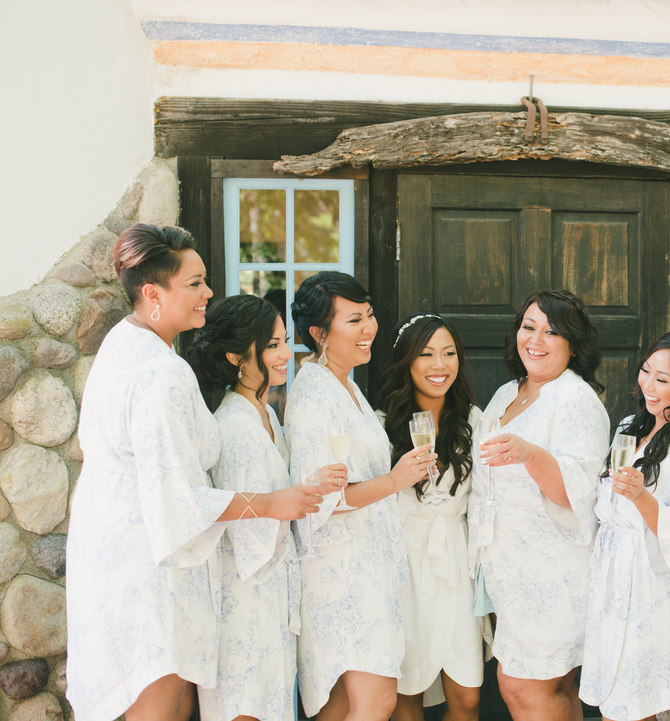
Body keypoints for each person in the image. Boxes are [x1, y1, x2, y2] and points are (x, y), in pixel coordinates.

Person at [66, 225, 324, 721]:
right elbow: (177, 496)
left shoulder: (125, 345)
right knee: (154, 705)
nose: (209, 293)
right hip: (148, 564)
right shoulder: (159, 374)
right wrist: (272, 503)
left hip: (112, 550)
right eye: (195, 283)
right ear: (152, 294)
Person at [187, 294, 346, 721]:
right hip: (246, 592)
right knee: (245, 709)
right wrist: (291, 502)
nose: (283, 355)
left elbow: (276, 498)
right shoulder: (235, 426)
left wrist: (308, 489)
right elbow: (244, 527)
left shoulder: (267, 416)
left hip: (272, 591)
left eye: (284, 342)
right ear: (238, 357)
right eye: (272, 345)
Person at [286, 271, 435, 721]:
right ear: (319, 333)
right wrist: (396, 479)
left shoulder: (345, 385)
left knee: (344, 705)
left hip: (365, 564)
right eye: (354, 319)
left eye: (369, 315)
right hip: (342, 571)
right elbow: (322, 496)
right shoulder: (314, 396)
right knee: (375, 702)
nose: (368, 328)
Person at [470, 289, 610, 721]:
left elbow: (578, 493)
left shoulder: (575, 399)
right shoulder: (506, 393)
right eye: (529, 327)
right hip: (510, 569)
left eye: (552, 332)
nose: (536, 339)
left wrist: (531, 454)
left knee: (524, 687)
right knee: (552, 685)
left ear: (573, 343)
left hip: (552, 572)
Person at [580, 327, 670, 721]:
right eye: (646, 372)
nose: (648, 385)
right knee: (612, 705)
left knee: (637, 705)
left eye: (662, 380)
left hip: (649, 587)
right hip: (612, 575)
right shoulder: (631, 425)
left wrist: (642, 496)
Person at [377, 313, 484, 721]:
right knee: (407, 691)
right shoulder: (382, 424)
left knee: (467, 694)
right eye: (426, 354)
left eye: (448, 353)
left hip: (456, 559)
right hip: (404, 561)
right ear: (407, 361)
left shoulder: (476, 421)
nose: (439, 365)